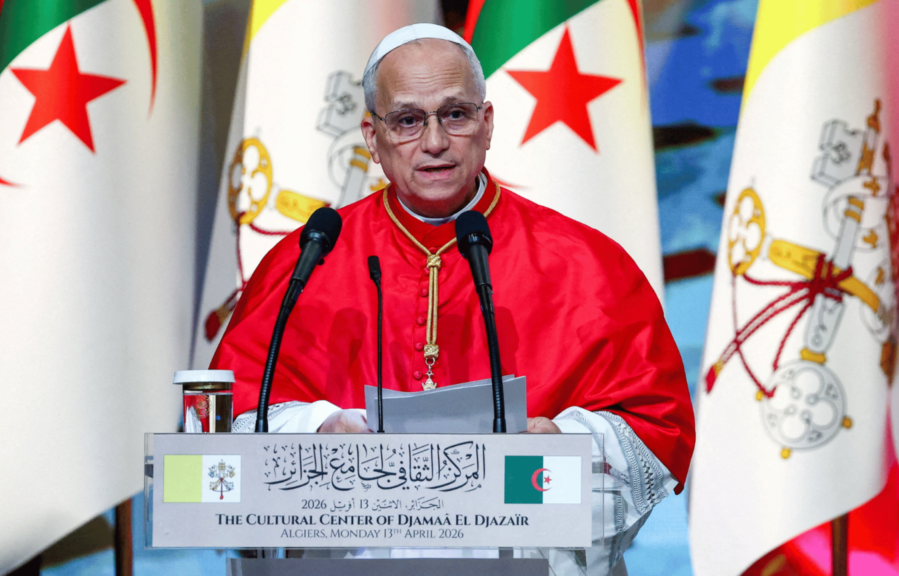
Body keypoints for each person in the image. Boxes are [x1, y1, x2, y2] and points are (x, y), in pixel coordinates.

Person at [211, 23, 694, 575]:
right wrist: (319, 429)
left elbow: (656, 429)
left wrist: (563, 440)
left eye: (455, 114)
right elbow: (226, 422)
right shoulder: (309, 259)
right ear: (372, 137)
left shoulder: (585, 262)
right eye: (407, 120)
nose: (435, 142)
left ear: (487, 124)